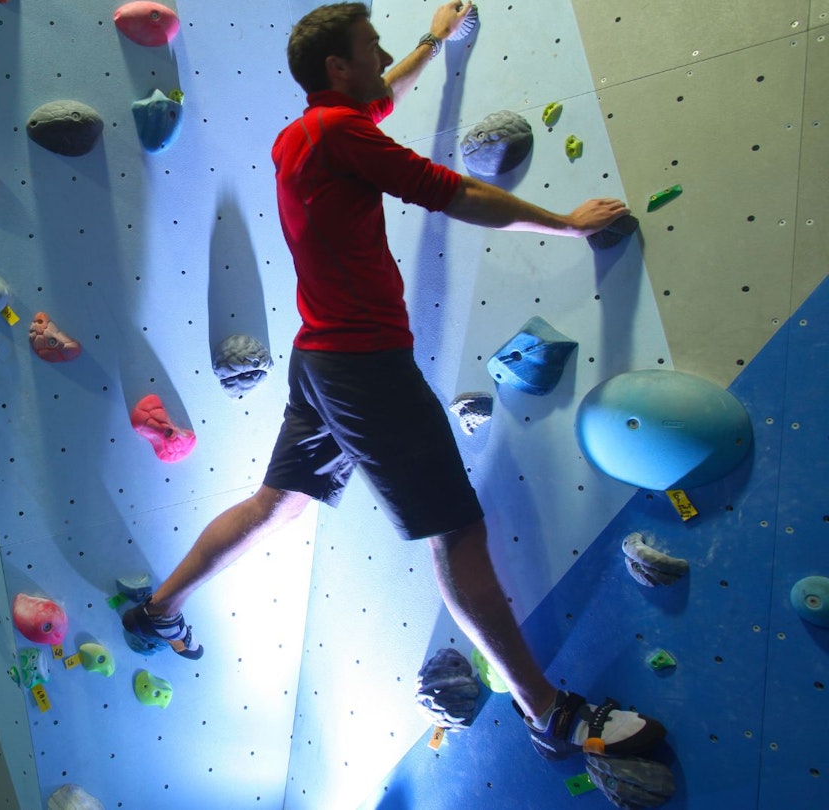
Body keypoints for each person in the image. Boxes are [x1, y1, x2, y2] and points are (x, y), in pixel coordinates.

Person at [122, 1, 666, 762]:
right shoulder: (341, 134)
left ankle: (155, 611)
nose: (381, 59)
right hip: (365, 368)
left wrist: (429, 43)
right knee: (458, 531)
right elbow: (456, 192)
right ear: (336, 67)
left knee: (276, 505)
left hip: (322, 361)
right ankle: (549, 714)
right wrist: (567, 224)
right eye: (369, 48)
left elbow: (385, 93)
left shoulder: (305, 132)